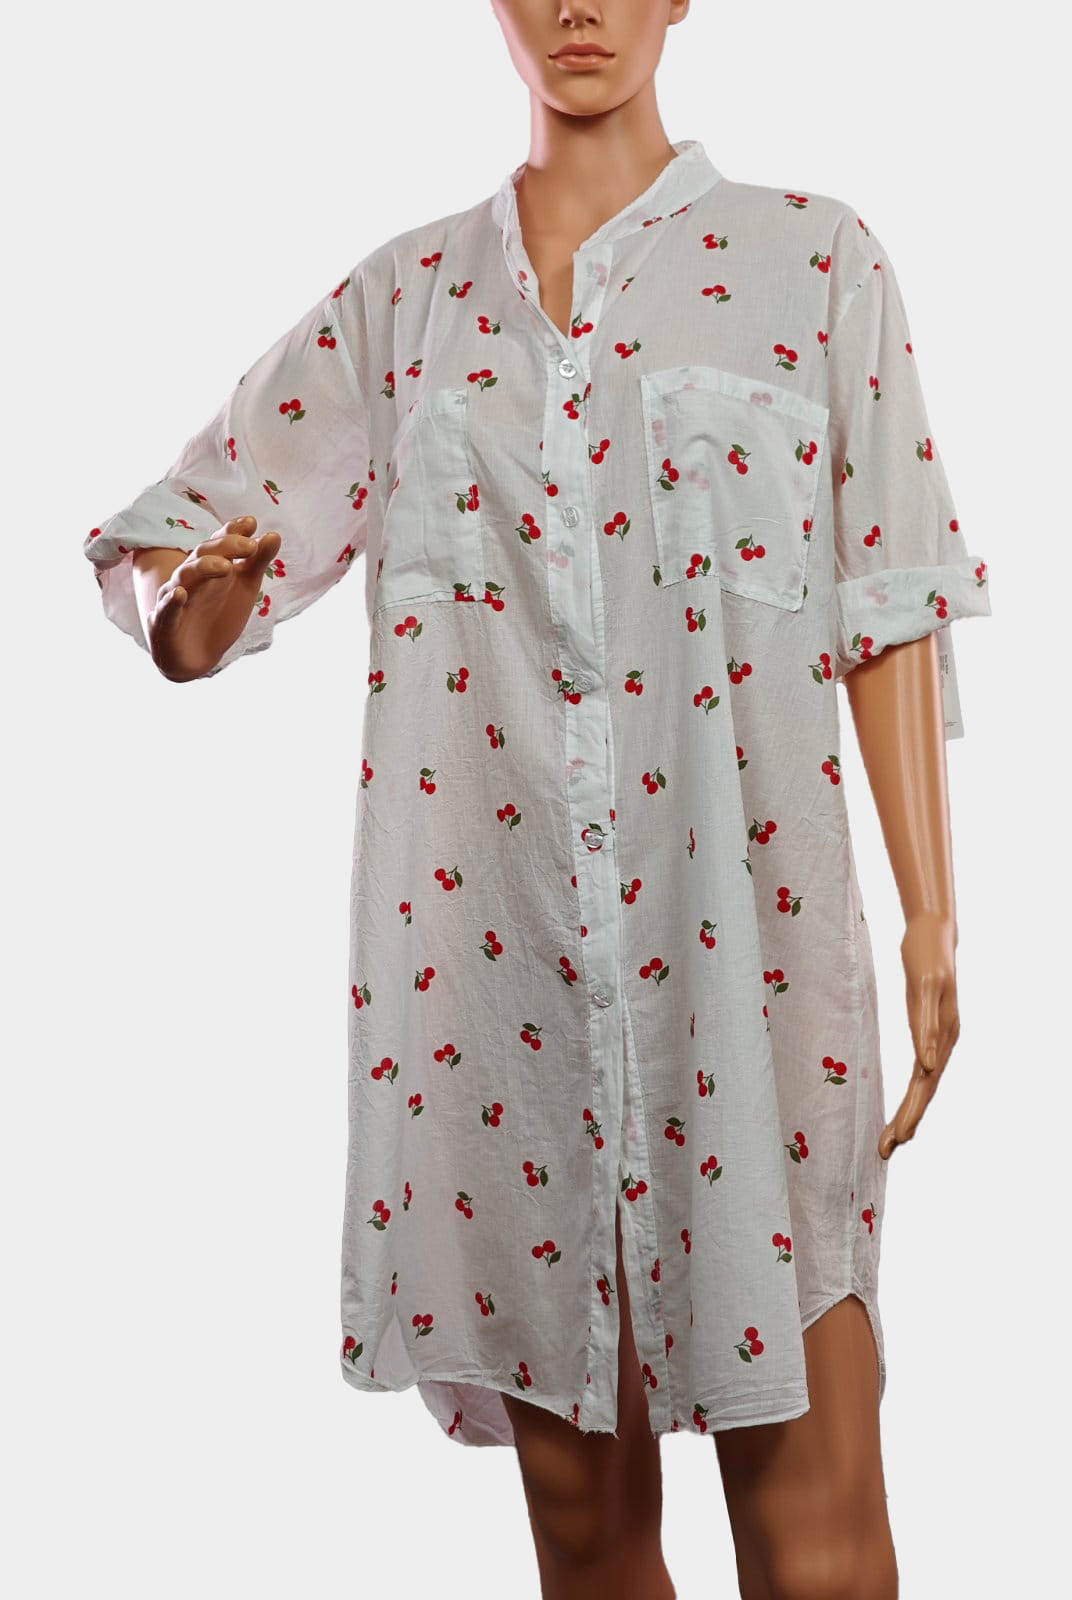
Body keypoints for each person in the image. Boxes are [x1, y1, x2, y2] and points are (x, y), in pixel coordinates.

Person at [83, 3, 992, 1596]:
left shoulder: (815, 264)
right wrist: (199, 602)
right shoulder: (406, 306)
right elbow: (176, 561)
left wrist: (933, 918)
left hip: (750, 997)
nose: (581, 6)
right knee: (587, 1549)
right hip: (501, 1028)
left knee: (821, 1546)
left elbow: (889, 597)